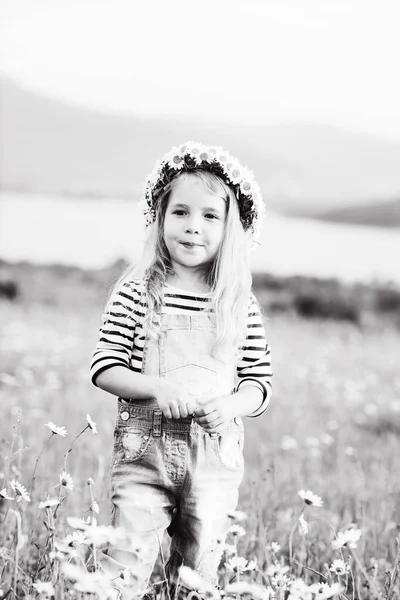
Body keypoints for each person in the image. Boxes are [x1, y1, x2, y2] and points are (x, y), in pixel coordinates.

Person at [89, 141, 273, 599]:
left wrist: (232, 404)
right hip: (144, 457)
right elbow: (105, 366)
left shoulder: (237, 302)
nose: (194, 228)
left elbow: (259, 382)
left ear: (231, 227)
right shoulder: (138, 290)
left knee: (196, 577)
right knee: (122, 571)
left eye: (211, 216)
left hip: (214, 461)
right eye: (181, 213)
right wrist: (155, 386)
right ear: (160, 217)